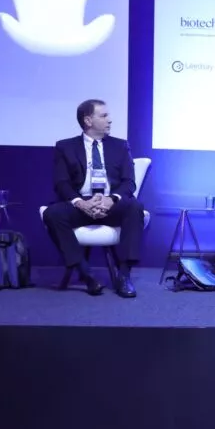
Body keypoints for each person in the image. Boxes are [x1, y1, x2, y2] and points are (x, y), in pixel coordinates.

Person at [42, 99, 145, 298]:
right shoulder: (65, 147)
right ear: (88, 120)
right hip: (81, 203)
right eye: (104, 116)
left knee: (134, 207)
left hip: (110, 203)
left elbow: (129, 182)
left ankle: (124, 276)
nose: (110, 120)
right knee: (52, 214)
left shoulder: (120, 146)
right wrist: (81, 203)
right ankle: (86, 275)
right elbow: (61, 183)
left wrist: (111, 199)